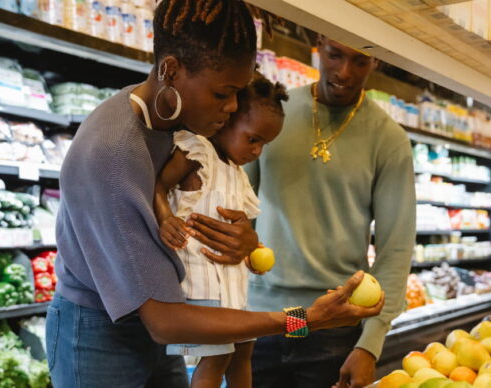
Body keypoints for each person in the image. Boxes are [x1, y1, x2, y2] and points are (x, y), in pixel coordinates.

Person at [46, 1, 384, 387]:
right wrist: (307, 319)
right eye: (223, 93)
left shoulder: (184, 122)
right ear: (171, 69)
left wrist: (244, 243)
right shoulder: (115, 154)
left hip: (157, 327)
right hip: (98, 336)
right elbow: (167, 322)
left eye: (239, 93)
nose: (233, 107)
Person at [246, 35, 416, 388]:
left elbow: (395, 250)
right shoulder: (274, 114)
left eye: (360, 61)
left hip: (333, 328)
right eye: (335, 55)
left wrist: (370, 345)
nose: (344, 72)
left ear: (377, 62)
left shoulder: (389, 140)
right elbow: (237, 211)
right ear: (319, 44)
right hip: (261, 319)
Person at [153, 72, 288, 388]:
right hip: (201, 290)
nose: (257, 152)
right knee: (215, 359)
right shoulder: (198, 152)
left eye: (263, 144)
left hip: (232, 289)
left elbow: (239, 233)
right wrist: (165, 218)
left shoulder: (237, 174)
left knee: (244, 349)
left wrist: (253, 252)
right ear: (225, 119)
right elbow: (157, 186)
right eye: (253, 139)